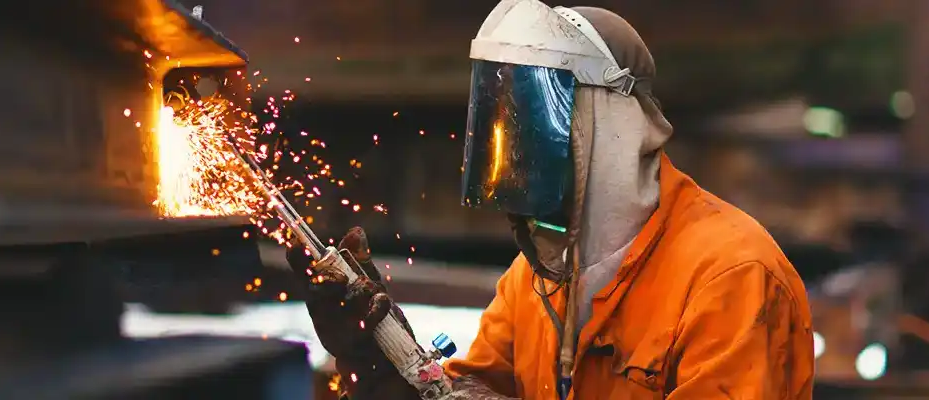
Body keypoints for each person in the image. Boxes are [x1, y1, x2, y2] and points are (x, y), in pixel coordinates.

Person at [288, 1, 816, 398]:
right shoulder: (535, 280)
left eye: (532, 129)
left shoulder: (733, 277)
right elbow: (459, 395)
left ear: (618, 123)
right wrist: (380, 361)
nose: (520, 158)